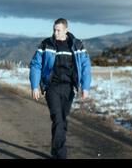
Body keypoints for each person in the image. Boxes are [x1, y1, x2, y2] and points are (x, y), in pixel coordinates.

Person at [29, 18, 91, 159]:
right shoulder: (46, 44)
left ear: (66, 30)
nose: (55, 33)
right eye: (54, 30)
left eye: (58, 30)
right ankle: (60, 155)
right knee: (57, 118)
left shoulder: (77, 45)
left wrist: (85, 86)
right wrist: (35, 86)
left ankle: (55, 149)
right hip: (52, 87)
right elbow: (35, 65)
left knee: (62, 120)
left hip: (69, 88)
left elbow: (86, 66)